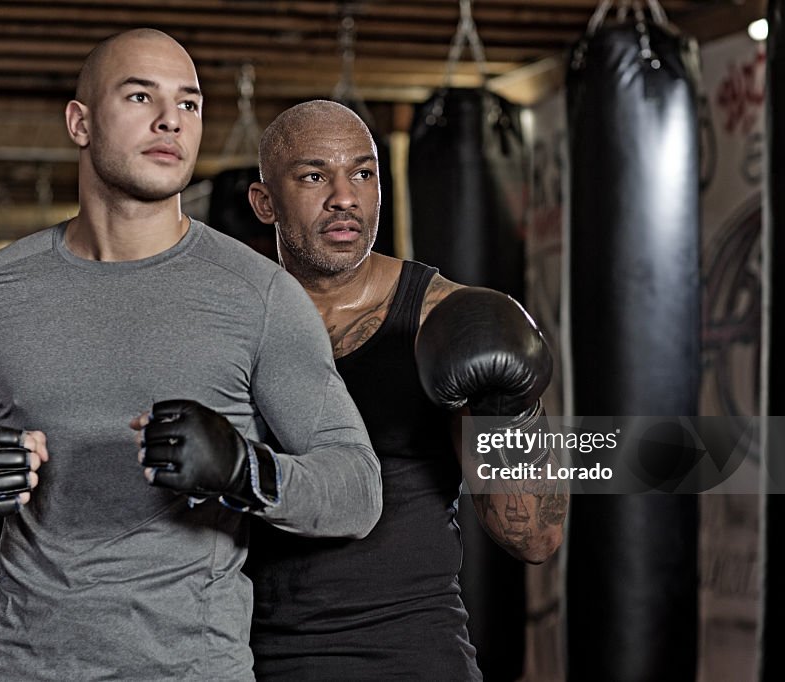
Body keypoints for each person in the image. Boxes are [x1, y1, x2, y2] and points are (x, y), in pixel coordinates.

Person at [0, 33, 382, 681]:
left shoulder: (259, 294)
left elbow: (356, 489)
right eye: (140, 96)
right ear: (81, 123)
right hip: (25, 664)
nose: (170, 120)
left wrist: (247, 473)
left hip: (193, 667)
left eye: (189, 104)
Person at [242, 100, 569, 681]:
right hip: (253, 657)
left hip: (411, 654)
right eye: (315, 175)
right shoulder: (232, 320)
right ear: (264, 202)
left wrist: (512, 409)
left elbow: (537, 537)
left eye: (363, 173)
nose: (345, 196)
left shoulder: (441, 318)